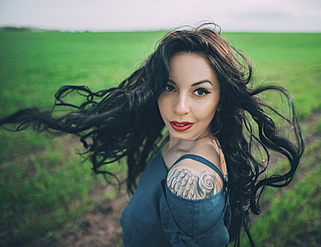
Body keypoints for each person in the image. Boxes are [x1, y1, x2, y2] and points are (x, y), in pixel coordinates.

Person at [0, 23, 304, 246]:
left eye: (200, 91)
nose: (179, 108)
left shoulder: (189, 180)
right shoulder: (183, 141)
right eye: (170, 87)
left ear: (221, 98)